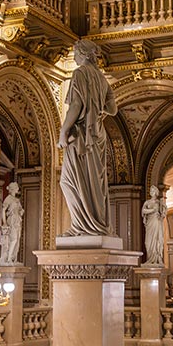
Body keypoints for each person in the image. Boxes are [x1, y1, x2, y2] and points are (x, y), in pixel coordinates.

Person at [57, 39, 117, 236]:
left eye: (75, 53)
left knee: (68, 181)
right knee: (94, 181)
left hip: (81, 135)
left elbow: (75, 106)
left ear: (82, 54)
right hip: (97, 134)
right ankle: (95, 225)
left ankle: (82, 226)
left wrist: (63, 132)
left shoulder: (80, 73)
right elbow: (113, 109)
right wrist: (97, 112)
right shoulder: (101, 78)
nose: (73, 57)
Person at [0, 182, 24, 265]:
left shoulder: (16, 200)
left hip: (17, 220)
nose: (17, 189)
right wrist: (4, 223)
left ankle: (13, 259)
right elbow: (3, 210)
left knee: (17, 240)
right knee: (13, 239)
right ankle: (8, 259)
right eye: (16, 188)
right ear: (12, 189)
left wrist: (21, 211)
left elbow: (20, 210)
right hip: (11, 220)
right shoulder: (8, 199)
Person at [141, 185, 166, 264]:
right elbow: (143, 211)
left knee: (156, 239)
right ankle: (150, 258)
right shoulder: (147, 202)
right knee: (148, 242)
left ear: (156, 192)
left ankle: (156, 258)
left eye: (153, 191)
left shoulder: (159, 202)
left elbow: (163, 212)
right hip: (149, 223)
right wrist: (152, 210)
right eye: (150, 191)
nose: (151, 192)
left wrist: (162, 212)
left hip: (156, 221)